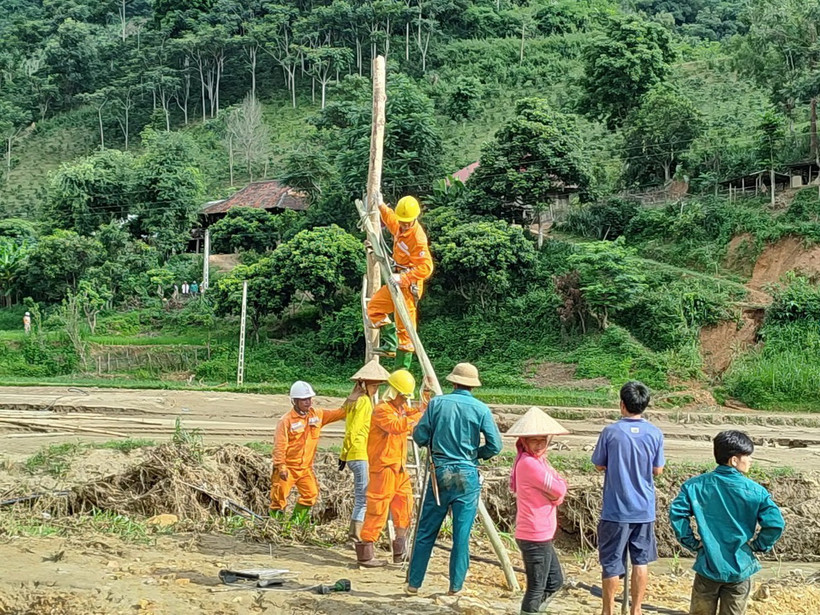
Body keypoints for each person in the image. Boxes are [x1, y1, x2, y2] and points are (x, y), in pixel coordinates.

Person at [407, 363, 503, 595]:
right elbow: (495, 446)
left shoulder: (438, 403)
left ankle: (413, 583)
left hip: (440, 471)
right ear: (473, 385)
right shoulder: (481, 409)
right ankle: (455, 586)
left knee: (426, 530)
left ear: (453, 382)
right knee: (461, 535)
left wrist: (431, 442)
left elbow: (419, 434)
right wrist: (475, 454)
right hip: (467, 473)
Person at [669, 430, 785, 615]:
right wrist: (757, 546)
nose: (750, 460)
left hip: (707, 565)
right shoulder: (756, 491)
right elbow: (775, 524)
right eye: (747, 456)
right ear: (734, 460)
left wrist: (691, 542)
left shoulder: (694, 486)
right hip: (740, 568)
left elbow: (677, 514)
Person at [591, 381, 665, 615]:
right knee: (640, 561)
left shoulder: (611, 432)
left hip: (615, 510)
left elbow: (599, 464)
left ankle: (608, 610)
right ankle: (637, 609)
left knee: (612, 562)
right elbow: (658, 470)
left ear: (622, 404)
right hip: (644, 509)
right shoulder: (655, 433)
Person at [357, 369, 428, 567]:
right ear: (394, 393)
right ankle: (366, 551)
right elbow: (396, 426)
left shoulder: (400, 408)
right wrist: (419, 417)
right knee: (377, 508)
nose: (405, 400)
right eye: (403, 396)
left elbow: (415, 411)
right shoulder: (382, 410)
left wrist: (427, 401)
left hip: (398, 467)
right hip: (384, 467)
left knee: (404, 507)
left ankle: (400, 550)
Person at [506, 407, 570, 615]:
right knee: (536, 588)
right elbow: (560, 488)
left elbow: (558, 489)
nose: (540, 444)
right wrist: (557, 495)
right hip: (534, 534)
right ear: (524, 441)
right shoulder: (529, 464)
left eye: (543, 440)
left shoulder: (537, 461)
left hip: (540, 534)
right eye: (534, 440)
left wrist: (557, 495)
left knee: (555, 581)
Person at [367, 196, 433, 371]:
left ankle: (401, 374)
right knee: (374, 308)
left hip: (407, 286)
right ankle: (390, 344)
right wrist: (380, 205)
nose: (403, 225)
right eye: (402, 221)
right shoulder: (400, 225)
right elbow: (390, 219)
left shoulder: (418, 238)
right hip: (395, 280)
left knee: (406, 332)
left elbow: (426, 268)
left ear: (415, 218)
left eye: (407, 222)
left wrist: (403, 278)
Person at [270, 381, 347, 523]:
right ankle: (275, 526)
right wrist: (281, 466)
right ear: (295, 401)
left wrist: (355, 395)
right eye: (304, 399)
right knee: (278, 499)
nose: (308, 402)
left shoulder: (317, 415)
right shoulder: (286, 421)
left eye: (309, 399)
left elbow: (341, 412)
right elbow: (279, 446)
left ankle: (294, 524)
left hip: (305, 469)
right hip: (288, 468)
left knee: (311, 494)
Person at [339, 359, 391, 543]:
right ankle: (355, 536)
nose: (376, 389)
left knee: (362, 496)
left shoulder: (356, 400)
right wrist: (344, 453)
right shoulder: (363, 402)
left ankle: (355, 534)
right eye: (374, 385)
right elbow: (353, 429)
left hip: (357, 453)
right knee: (363, 498)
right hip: (359, 453)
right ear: (366, 385)